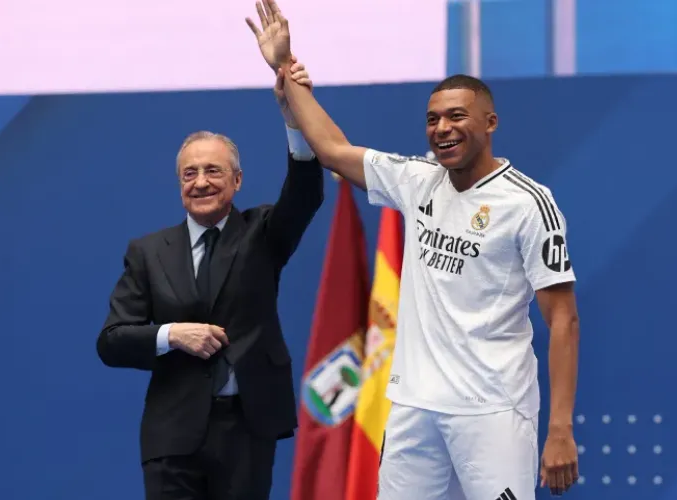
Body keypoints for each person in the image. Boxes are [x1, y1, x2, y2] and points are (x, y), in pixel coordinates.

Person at [245, 1, 581, 498]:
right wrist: (285, 67)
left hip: (492, 410)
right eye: (433, 119)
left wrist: (560, 429)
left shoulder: (528, 203)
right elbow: (334, 150)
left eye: (457, 116)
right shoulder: (417, 181)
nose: (442, 128)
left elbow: (563, 320)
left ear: (490, 122)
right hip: (413, 407)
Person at [95, 52, 320, 499]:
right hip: (172, 435)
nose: (200, 182)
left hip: (247, 428)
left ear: (237, 181)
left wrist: (295, 117)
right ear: (180, 184)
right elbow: (112, 341)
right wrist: (172, 334)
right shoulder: (148, 252)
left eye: (213, 171)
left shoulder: (263, 233)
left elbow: (305, 193)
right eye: (190, 173)